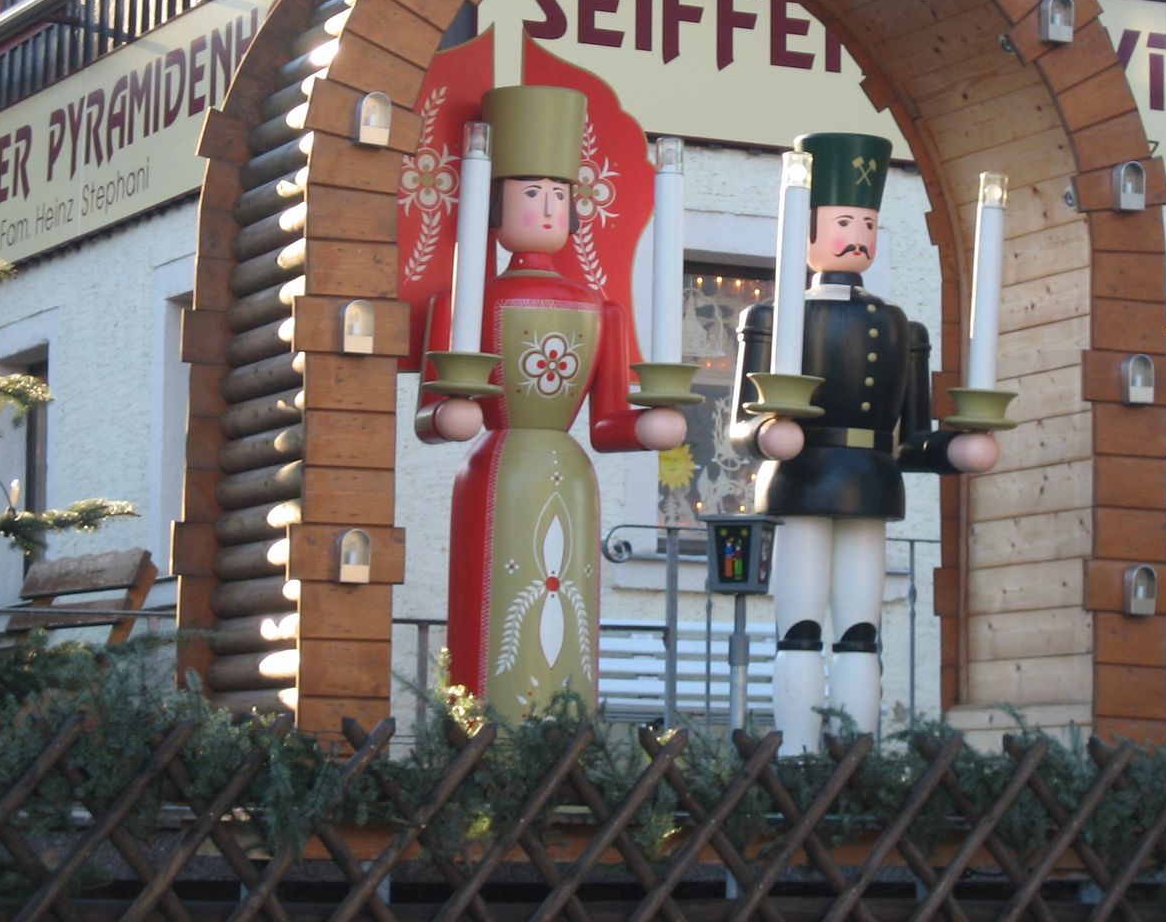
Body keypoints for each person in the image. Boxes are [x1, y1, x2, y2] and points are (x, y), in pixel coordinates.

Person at [417, 85, 685, 717]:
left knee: (564, 606)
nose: (546, 209)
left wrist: (649, 429)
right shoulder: (461, 303)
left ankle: (562, 734)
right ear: (494, 203)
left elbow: (607, 423)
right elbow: (432, 416)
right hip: (497, 470)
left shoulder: (601, 308)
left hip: (571, 476)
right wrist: (449, 416)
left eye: (559, 196)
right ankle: (485, 731)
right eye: (531, 193)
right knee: (496, 607)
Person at [729, 132, 999, 755]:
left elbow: (911, 435)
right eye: (845, 222)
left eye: (868, 224)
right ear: (806, 231)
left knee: (860, 632)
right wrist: (767, 434)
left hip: (872, 483)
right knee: (798, 629)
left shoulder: (900, 325)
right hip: (801, 481)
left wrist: (954, 451)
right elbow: (740, 426)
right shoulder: (771, 317)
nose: (858, 236)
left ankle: (857, 755)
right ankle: (796, 753)